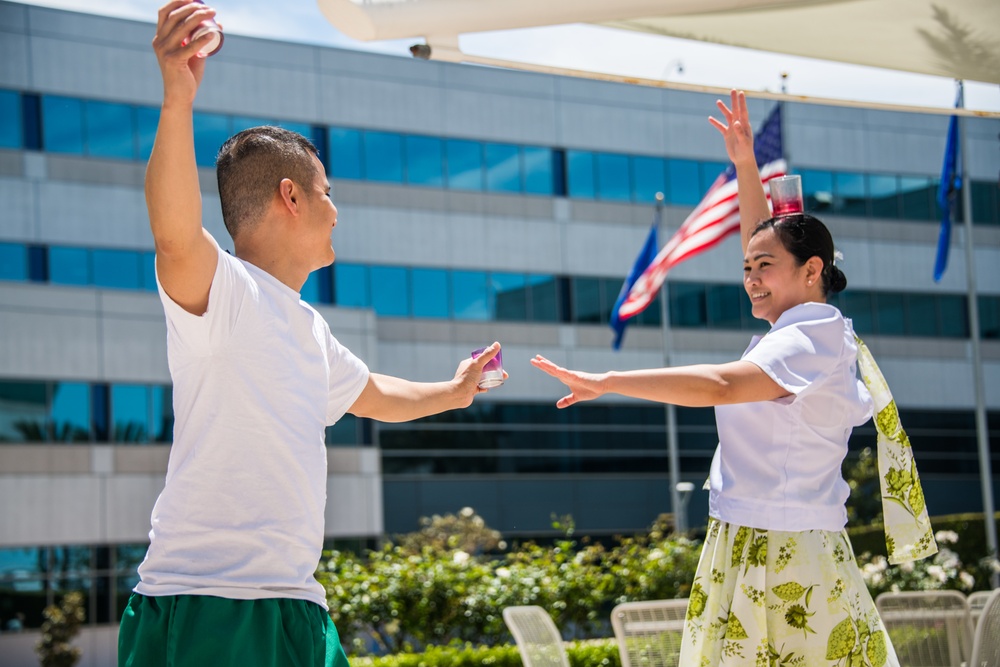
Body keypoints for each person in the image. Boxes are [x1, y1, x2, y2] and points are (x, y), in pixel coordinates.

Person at [119, 3, 505, 666]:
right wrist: (177, 97)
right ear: (292, 196)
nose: (337, 210)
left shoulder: (308, 328)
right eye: (326, 191)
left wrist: (454, 390)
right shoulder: (228, 294)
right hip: (210, 607)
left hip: (299, 605)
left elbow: (376, 392)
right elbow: (173, 234)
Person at [531, 90, 908, 666]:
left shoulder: (812, 336)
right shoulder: (805, 330)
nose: (752, 280)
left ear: (812, 272)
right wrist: (745, 164)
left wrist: (608, 380)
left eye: (765, 269)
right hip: (756, 537)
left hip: (783, 547)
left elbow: (721, 386)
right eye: (746, 270)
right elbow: (766, 237)